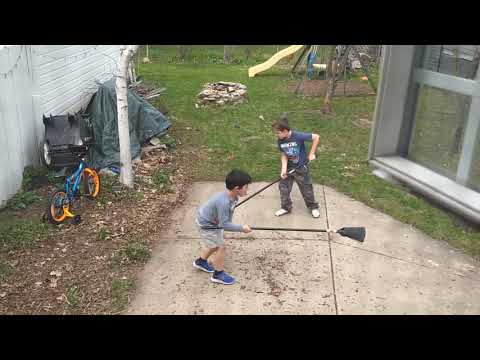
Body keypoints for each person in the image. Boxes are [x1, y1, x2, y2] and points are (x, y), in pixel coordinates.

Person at [193, 169, 252, 285]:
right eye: (246, 187)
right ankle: (218, 274)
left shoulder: (232, 197)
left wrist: (223, 224)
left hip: (212, 223)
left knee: (214, 244)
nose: (247, 190)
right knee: (221, 247)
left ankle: (200, 262)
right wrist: (242, 228)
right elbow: (224, 224)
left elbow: (226, 218)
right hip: (207, 225)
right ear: (237, 188)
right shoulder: (224, 202)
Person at [272, 116, 321, 218]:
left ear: (285, 131)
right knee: (283, 187)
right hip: (289, 168)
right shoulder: (280, 140)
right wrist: (283, 170)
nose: (276, 135)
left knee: (306, 188)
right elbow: (284, 155)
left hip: (301, 167)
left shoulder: (298, 136)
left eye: (278, 133)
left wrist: (311, 154)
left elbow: (316, 137)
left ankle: (313, 207)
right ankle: (286, 207)